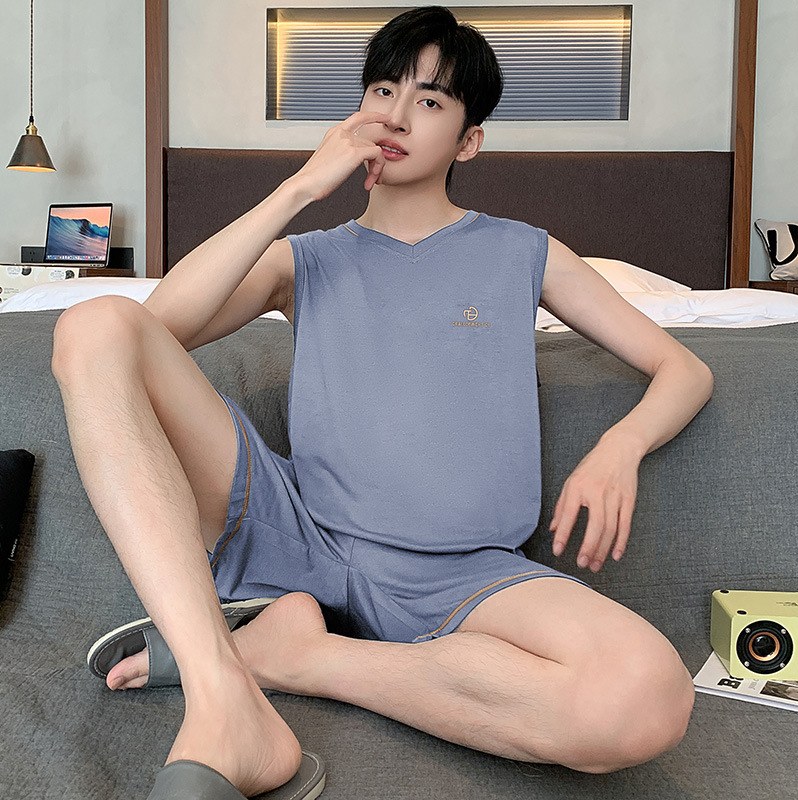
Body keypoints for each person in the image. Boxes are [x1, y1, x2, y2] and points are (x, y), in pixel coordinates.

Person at [51, 6, 712, 799]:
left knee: (646, 698)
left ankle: (295, 656)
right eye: (383, 91)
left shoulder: (524, 252)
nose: (396, 116)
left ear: (469, 141)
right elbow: (146, 335)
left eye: (430, 100)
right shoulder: (305, 259)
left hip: (466, 578)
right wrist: (300, 187)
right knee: (93, 324)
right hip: (296, 533)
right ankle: (221, 694)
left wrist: (619, 447)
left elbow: (682, 369)